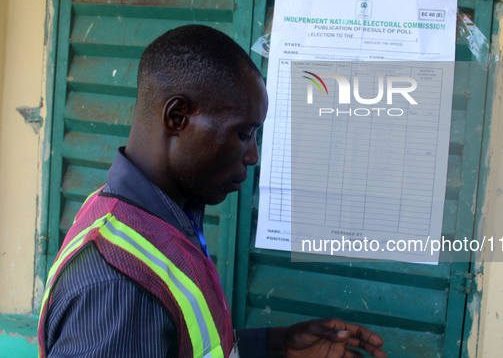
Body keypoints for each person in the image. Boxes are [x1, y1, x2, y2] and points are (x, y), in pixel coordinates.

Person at [37, 25, 387, 358]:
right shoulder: (119, 285)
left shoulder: (148, 217)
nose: (252, 156)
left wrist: (274, 346)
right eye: (242, 133)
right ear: (177, 117)